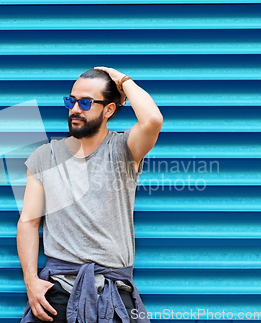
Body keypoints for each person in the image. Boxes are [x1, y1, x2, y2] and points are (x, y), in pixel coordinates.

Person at [17, 66, 163, 323]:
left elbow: (152, 120)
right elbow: (28, 222)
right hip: (57, 292)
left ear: (108, 110)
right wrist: (31, 282)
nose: (75, 109)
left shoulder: (124, 150)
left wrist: (122, 80)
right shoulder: (45, 156)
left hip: (113, 292)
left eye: (85, 102)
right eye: (71, 101)